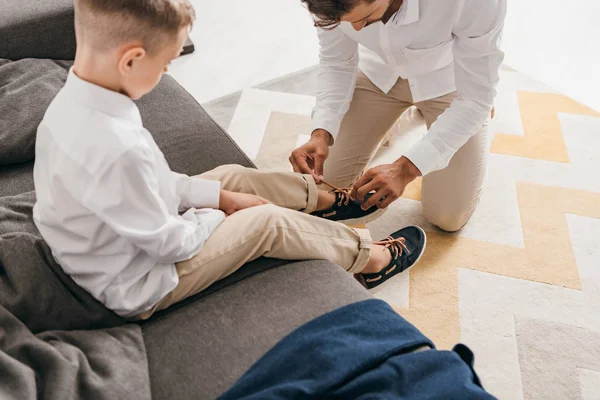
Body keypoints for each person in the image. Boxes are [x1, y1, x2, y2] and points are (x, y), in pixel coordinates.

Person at [32, 0, 427, 321]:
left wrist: (224, 196)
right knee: (266, 221)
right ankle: (370, 259)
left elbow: (154, 182)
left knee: (229, 178)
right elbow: (169, 243)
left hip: (118, 240)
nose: (167, 71)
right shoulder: (114, 147)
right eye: (167, 63)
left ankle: (326, 202)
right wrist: (223, 214)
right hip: (141, 281)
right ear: (131, 59)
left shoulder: (78, 102)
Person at [290, 0, 506, 232]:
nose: (358, 30)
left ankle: (474, 123)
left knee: (447, 216)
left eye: (367, 18)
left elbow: (476, 98)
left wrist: (405, 169)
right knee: (321, 191)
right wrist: (321, 131)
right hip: (379, 75)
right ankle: (402, 121)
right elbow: (337, 62)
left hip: (452, 84)